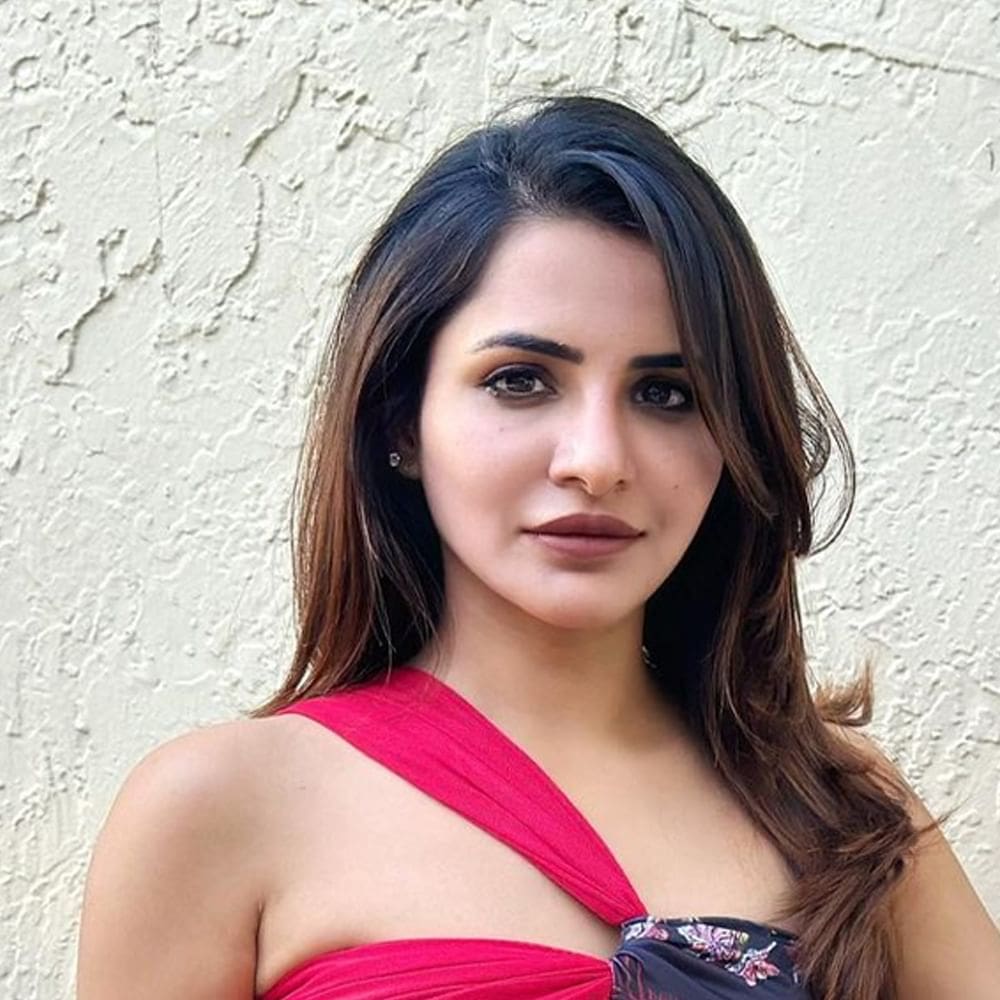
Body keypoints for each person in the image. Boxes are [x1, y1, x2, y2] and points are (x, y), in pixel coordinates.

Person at [76, 94, 999, 1000]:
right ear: (401, 419)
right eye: (520, 381)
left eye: (667, 394)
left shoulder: (836, 802)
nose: (597, 462)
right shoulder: (218, 810)